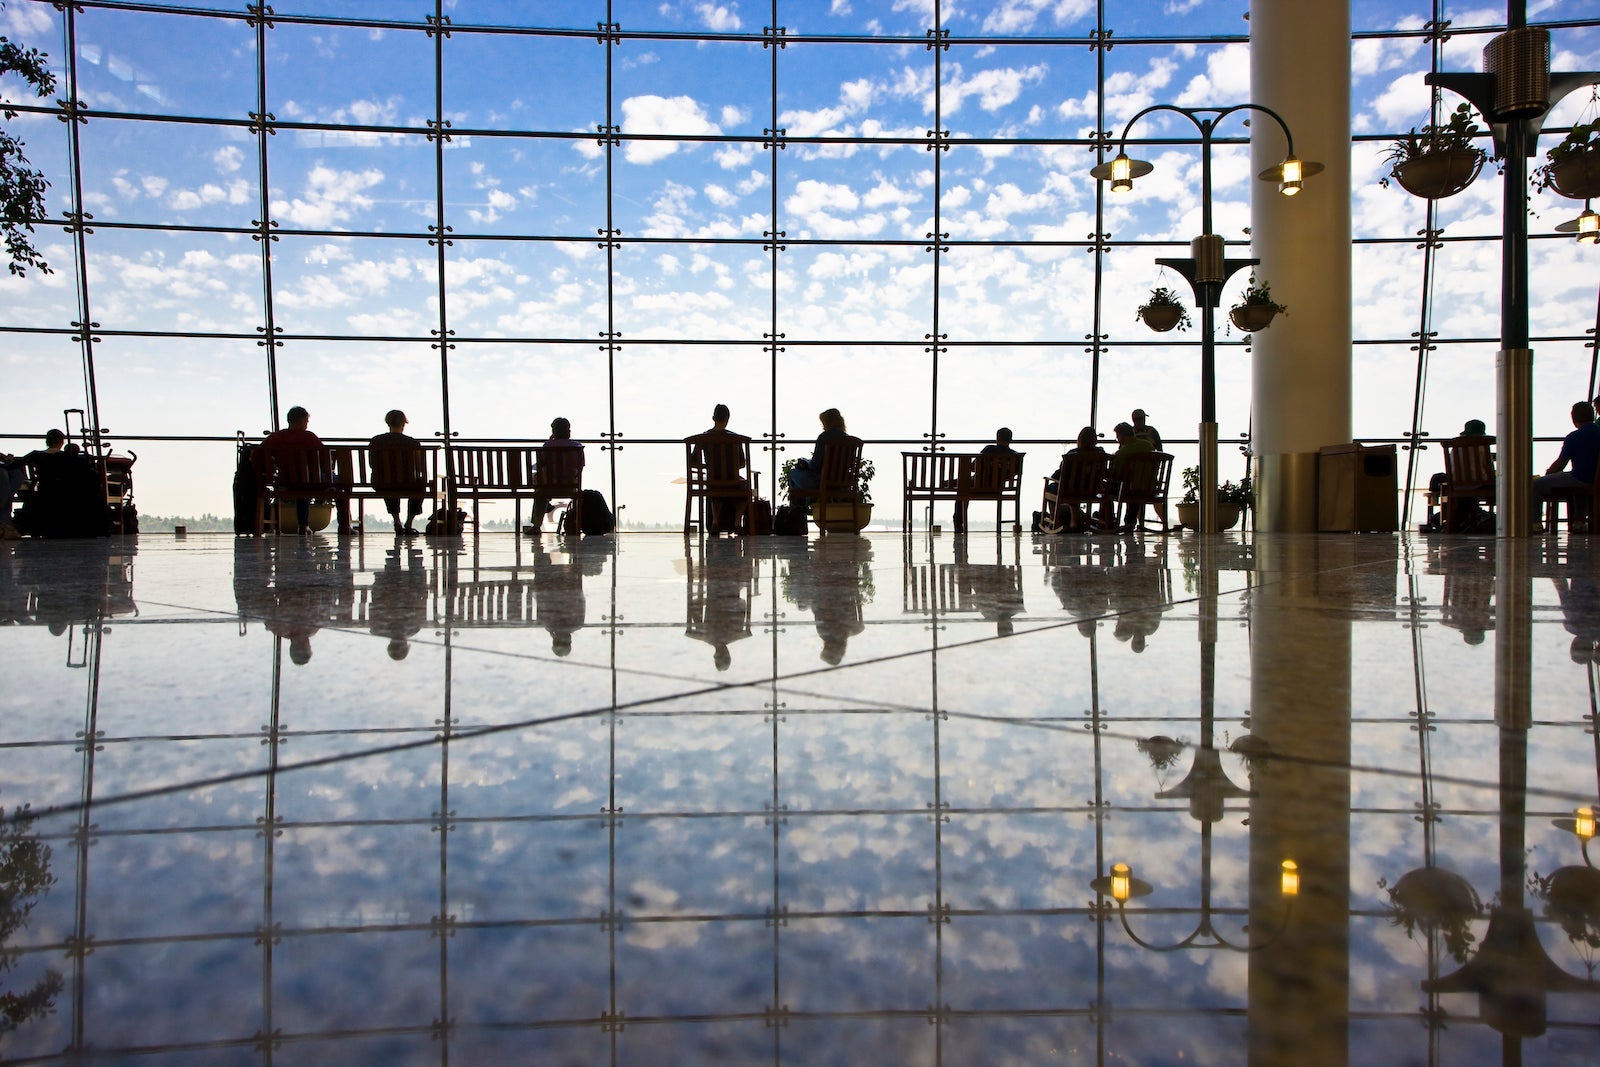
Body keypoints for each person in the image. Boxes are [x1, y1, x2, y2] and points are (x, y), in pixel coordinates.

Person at [255, 406, 352, 536]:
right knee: (341, 483)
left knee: (302, 485)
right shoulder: (309, 438)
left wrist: (269, 472)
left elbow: (256, 455)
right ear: (302, 421)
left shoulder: (275, 438)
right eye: (306, 421)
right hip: (313, 482)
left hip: (285, 482)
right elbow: (324, 461)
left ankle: (303, 525)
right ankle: (344, 526)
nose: (306, 424)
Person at [1533, 401, 1600, 528]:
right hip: (1595, 480)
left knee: (1535, 484)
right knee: (1578, 484)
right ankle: (1579, 521)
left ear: (1574, 417)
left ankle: (1535, 523)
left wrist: (1549, 472)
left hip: (1580, 478)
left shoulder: (1574, 437)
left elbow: (1560, 464)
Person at [368, 409, 427, 536]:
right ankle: (409, 523)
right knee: (421, 484)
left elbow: (372, 464)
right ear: (403, 424)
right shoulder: (413, 443)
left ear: (388, 423)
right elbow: (420, 468)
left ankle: (396, 521)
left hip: (381, 484)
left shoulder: (376, 441)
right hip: (409, 484)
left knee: (387, 480)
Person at [1036, 426, 1105, 533]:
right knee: (1073, 487)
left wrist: (1053, 477)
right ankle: (1075, 521)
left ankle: (1055, 520)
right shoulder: (1101, 454)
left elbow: (1060, 474)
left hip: (1071, 490)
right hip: (1092, 490)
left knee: (1051, 487)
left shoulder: (1072, 455)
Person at [696, 403, 752, 534]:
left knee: (715, 489)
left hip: (712, 482)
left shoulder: (703, 438)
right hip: (734, 483)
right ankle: (737, 522)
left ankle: (715, 521)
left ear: (713, 418)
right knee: (745, 489)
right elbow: (742, 464)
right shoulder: (735, 439)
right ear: (727, 418)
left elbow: (694, 462)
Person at [1425, 418, 1489, 532]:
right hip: (1480, 484)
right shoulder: (1483, 446)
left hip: (1456, 484)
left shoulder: (1454, 447)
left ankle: (1456, 519)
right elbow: (1487, 469)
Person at [1, 429, 66, 530]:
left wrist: (8, 460)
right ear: (62, 442)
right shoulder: (67, 457)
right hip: (63, 493)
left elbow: (16, 465)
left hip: (43, 490)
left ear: (47, 441)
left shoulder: (36, 455)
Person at [787, 407, 850, 507]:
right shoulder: (849, 440)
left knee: (793, 473)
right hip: (842, 483)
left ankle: (799, 512)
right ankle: (806, 503)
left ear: (828, 422)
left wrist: (807, 464)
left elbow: (815, 466)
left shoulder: (824, 437)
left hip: (821, 481)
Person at [531, 417, 585, 533]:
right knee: (540, 488)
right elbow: (581, 467)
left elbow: (540, 465)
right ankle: (576, 525)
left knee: (538, 484)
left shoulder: (548, 446)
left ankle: (536, 525)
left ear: (553, 432)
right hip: (570, 485)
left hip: (548, 487)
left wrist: (551, 441)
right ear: (569, 431)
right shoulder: (577, 446)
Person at [1102, 422, 1154, 529]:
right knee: (1134, 486)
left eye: (1117, 437)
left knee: (1107, 488)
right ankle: (1130, 521)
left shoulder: (1123, 453)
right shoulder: (1147, 445)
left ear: (1122, 436)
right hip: (1149, 487)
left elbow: (1116, 475)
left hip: (1130, 489)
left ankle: (1108, 520)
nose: (1118, 440)